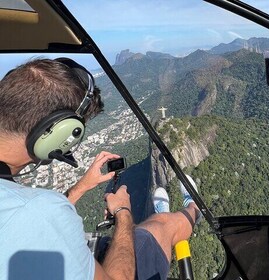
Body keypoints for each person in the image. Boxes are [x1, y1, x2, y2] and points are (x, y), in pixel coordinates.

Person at [0, 58, 201, 280]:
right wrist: (123, 212)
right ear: (57, 133)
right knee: (162, 225)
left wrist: (80, 188)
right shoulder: (37, 209)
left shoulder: (23, 207)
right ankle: (193, 207)